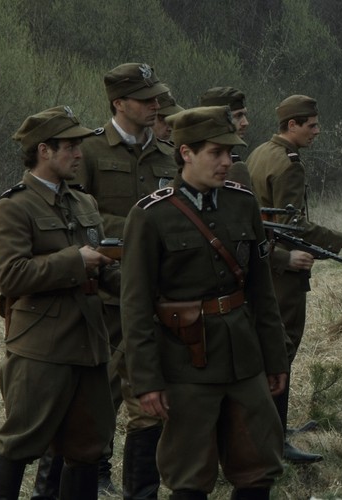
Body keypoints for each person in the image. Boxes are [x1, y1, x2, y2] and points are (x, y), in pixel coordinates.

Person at [121, 105, 290, 499]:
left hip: (244, 359)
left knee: (258, 466)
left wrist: (275, 357)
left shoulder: (242, 203)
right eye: (216, 153)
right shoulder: (150, 216)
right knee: (189, 474)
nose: (227, 162)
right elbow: (135, 307)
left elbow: (262, 291)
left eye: (230, 153)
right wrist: (146, 381)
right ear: (186, 154)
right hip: (185, 364)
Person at [0, 106, 118, 499]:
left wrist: (142, 285)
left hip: (90, 344)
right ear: (44, 150)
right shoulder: (14, 207)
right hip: (41, 346)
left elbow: (105, 267)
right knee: (20, 442)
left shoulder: (84, 204)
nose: (79, 154)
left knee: (87, 448)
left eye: (80, 145)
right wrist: (73, 262)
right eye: (71, 146)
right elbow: (10, 276)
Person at [78, 61, 176, 499]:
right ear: (119, 103)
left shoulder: (169, 157)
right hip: (105, 297)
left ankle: (142, 490)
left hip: (157, 297)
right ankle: (92, 473)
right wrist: (143, 226)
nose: (155, 105)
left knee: (150, 402)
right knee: (97, 396)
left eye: (156, 97)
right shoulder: (90, 153)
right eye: (145, 98)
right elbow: (80, 216)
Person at [245, 95, 342, 463]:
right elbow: (292, 225)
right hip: (284, 270)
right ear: (291, 125)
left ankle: (270, 430)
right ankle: (274, 440)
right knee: (280, 350)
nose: (317, 131)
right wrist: (337, 239)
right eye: (310, 124)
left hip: (263, 264)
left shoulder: (260, 153)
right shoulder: (289, 165)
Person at [198, 87, 253, 187]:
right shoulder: (191, 161)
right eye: (238, 116)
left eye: (245, 115)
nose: (245, 123)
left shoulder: (235, 160)